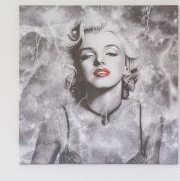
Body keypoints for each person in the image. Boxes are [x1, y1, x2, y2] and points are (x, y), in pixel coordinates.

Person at [31, 17, 163, 164]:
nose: (99, 60)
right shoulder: (58, 120)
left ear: (126, 65)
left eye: (111, 53)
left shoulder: (148, 117)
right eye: (87, 55)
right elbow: (33, 176)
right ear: (77, 69)